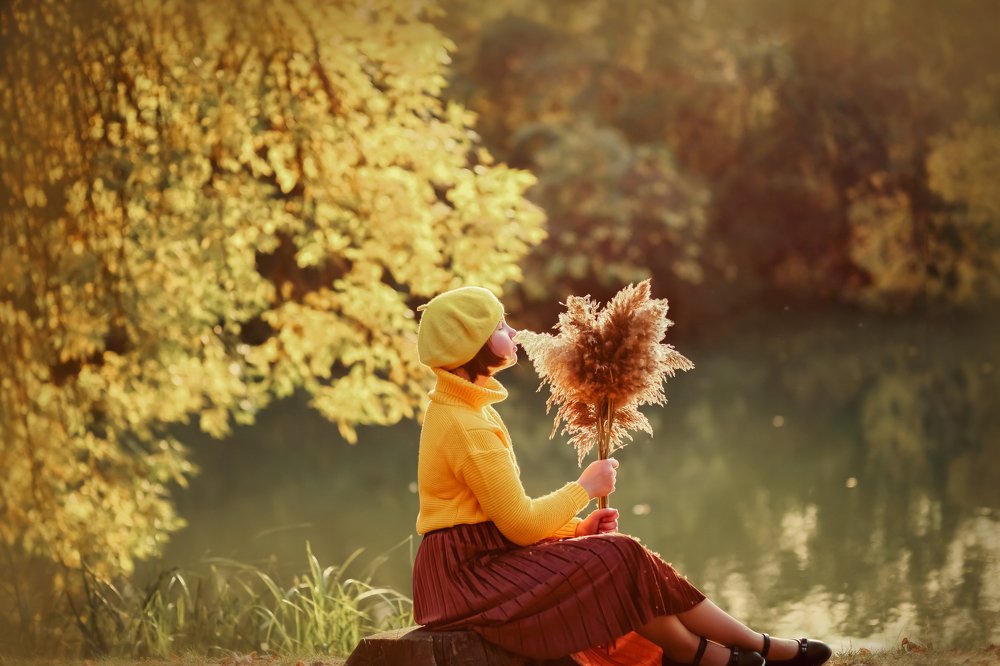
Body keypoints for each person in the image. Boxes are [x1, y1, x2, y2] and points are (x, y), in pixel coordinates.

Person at [411, 286, 833, 666]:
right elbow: (519, 525)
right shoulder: (466, 425)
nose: (514, 331)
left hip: (481, 562)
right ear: (471, 343)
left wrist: (578, 531)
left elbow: (499, 518)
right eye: (500, 326)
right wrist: (584, 488)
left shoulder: (464, 410)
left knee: (617, 554)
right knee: (619, 554)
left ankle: (732, 648)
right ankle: (727, 650)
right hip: (467, 578)